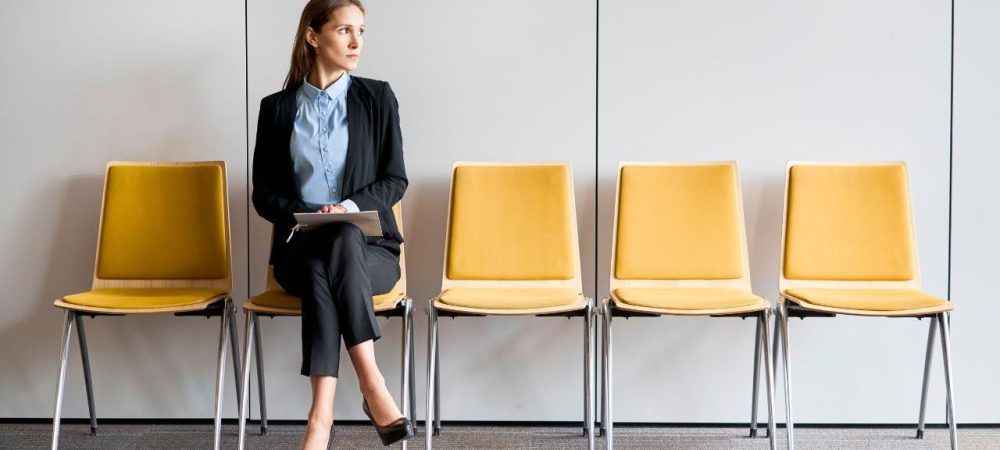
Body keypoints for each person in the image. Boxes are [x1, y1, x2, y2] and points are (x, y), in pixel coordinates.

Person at [250, 0, 413, 448]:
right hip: (299, 252)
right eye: (344, 30)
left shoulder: (377, 97)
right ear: (312, 35)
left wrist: (344, 206)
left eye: (361, 31)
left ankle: (319, 417)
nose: (357, 42)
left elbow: (395, 179)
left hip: (372, 253)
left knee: (340, 238)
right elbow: (263, 195)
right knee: (326, 251)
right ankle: (372, 384)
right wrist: (305, 214)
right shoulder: (277, 109)